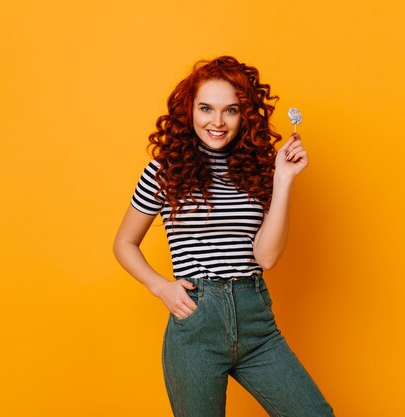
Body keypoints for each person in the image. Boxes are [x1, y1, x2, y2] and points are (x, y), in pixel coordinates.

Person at [113, 56, 335, 417]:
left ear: (244, 115)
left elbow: (266, 257)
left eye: (229, 110)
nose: (216, 122)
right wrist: (161, 286)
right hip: (197, 323)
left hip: (255, 320)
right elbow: (123, 243)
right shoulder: (164, 169)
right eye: (206, 109)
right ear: (189, 110)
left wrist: (282, 180)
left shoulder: (259, 170)